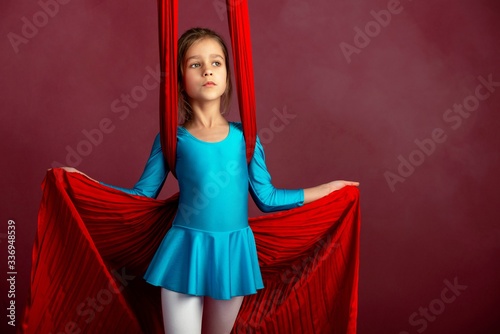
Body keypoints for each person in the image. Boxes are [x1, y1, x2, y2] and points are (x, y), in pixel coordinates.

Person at [62, 27, 359, 334]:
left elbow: (267, 198)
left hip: (233, 255)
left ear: (229, 76)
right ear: (180, 80)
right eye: (195, 64)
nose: (207, 70)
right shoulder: (171, 140)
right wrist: (88, 185)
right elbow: (141, 195)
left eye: (216, 63)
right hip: (184, 253)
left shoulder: (246, 139)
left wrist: (327, 191)